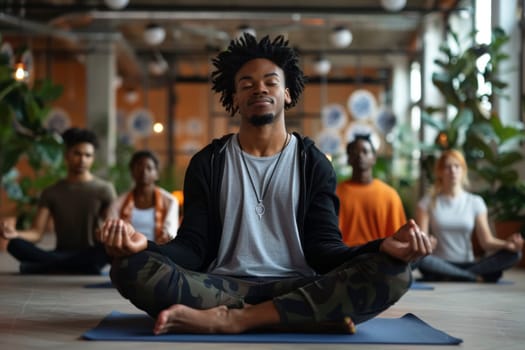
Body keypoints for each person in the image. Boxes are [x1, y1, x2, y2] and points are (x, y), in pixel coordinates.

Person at [98, 34, 431, 335]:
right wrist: (144, 246)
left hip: (298, 283)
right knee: (129, 268)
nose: (259, 89)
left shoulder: (312, 163)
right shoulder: (208, 163)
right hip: (221, 285)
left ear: (286, 93)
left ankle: (234, 319)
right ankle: (307, 317)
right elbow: (192, 248)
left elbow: (327, 252)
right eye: (246, 84)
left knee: (396, 273)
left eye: (270, 82)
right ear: (234, 99)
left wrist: (381, 247)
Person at [0, 127, 117, 274]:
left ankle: (39, 268)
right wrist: (15, 234)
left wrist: (105, 232)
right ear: (67, 155)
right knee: (14, 245)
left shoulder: (104, 189)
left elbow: (111, 225)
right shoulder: (51, 192)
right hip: (61, 253)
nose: (82, 160)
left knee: (106, 250)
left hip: (91, 253)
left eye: (88, 155)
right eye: (77, 154)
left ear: (93, 158)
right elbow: (37, 233)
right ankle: (79, 268)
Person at [414, 149, 523, 282]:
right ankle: (472, 277)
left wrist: (507, 244)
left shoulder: (475, 202)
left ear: (463, 171)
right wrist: (427, 244)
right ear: (440, 172)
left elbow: (486, 242)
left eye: (457, 166)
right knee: (420, 259)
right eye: (448, 167)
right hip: (439, 262)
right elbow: (422, 243)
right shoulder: (427, 202)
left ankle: (451, 275)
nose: (453, 171)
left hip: (469, 263)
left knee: (515, 254)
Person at [336, 134, 407, 247]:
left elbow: (398, 239)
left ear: (374, 158)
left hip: (381, 257)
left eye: (365, 151)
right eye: (355, 152)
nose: (360, 155)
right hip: (344, 258)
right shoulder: (336, 194)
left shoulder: (390, 195)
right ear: (349, 159)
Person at [109, 150, 179, 244]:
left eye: (149, 168)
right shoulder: (118, 203)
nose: (144, 171)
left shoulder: (170, 201)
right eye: (139, 166)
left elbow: (170, 233)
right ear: (132, 172)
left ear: (157, 174)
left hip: (158, 253)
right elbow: (112, 233)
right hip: (127, 253)